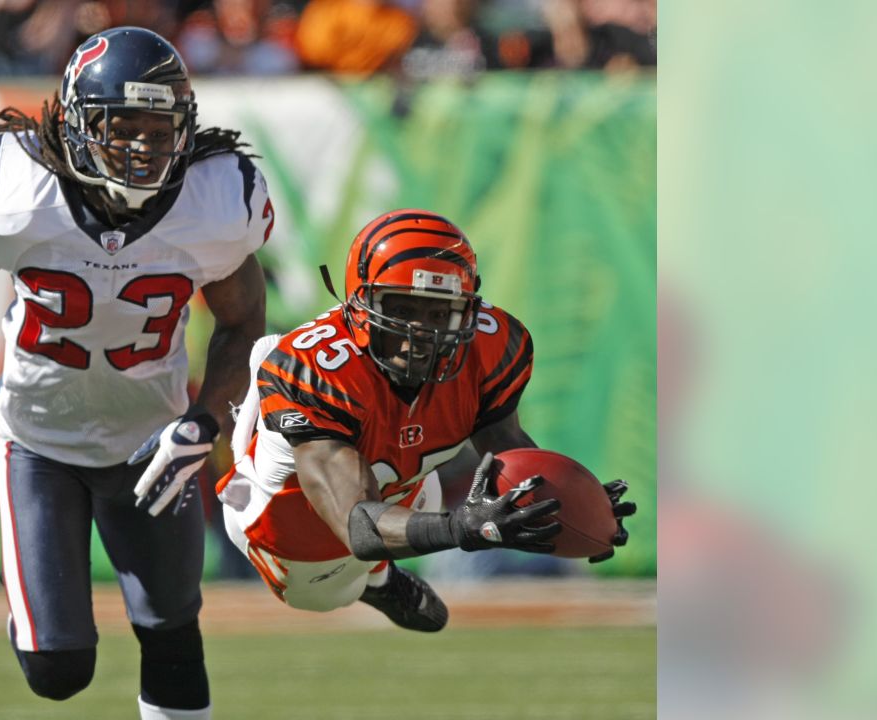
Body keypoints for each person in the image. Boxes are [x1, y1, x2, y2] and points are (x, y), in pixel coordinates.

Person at [0, 27, 270, 719]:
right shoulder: (21, 198)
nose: (143, 147)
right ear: (72, 121)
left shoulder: (212, 204)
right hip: (40, 444)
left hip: (152, 445)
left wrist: (202, 422)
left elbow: (244, 323)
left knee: (173, 637)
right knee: (57, 671)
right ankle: (38, 617)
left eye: (160, 129)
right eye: (122, 127)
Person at [217, 209, 634, 631]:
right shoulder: (315, 370)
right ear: (360, 303)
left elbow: (506, 447)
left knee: (423, 499)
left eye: (440, 313)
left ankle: (380, 573)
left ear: (468, 310)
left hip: (404, 480)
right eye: (403, 309)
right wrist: (464, 528)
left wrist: (570, 506)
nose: (423, 332)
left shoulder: (493, 345)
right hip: (285, 517)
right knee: (319, 594)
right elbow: (357, 526)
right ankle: (377, 584)